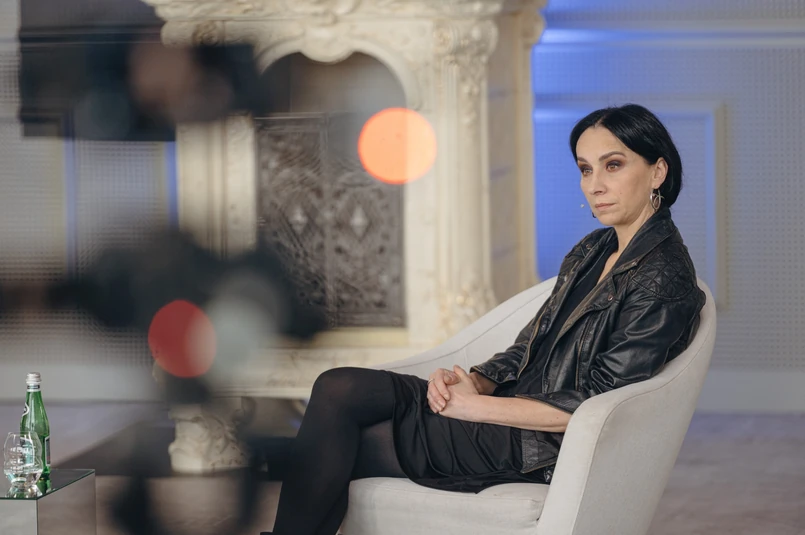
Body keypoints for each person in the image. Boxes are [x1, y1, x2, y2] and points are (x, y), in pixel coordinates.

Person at [262, 104, 706, 535]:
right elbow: (529, 344)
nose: (595, 185)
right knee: (338, 386)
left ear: (657, 172)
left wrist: (476, 408)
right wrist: (475, 382)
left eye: (613, 165)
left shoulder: (664, 277)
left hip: (538, 446)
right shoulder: (594, 248)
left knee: (337, 448)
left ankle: (277, 470)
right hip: (511, 405)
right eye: (585, 169)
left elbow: (598, 401)